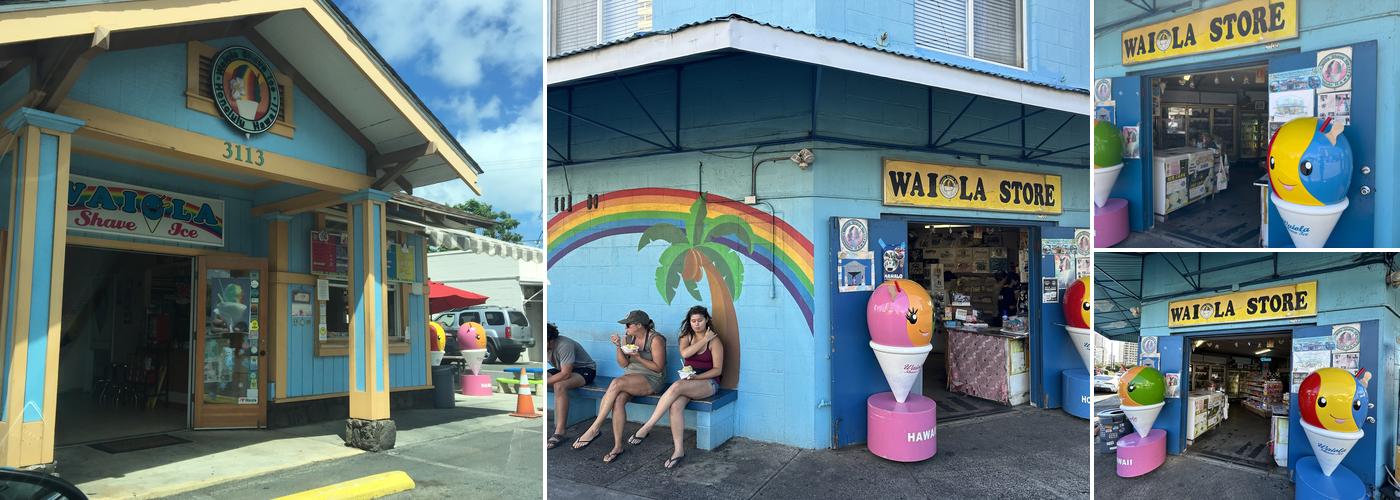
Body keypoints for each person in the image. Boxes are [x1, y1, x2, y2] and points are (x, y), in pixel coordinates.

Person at [626, 306, 724, 469]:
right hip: (688, 382)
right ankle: (679, 450)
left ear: (706, 320)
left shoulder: (715, 341)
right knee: (676, 405)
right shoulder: (686, 337)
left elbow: (718, 370)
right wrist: (703, 340)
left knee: (677, 385)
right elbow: (685, 354)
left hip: (709, 382)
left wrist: (696, 377)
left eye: (700, 320)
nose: (697, 324)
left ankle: (648, 426)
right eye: (693, 321)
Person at [570, 310, 667, 463]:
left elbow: (658, 368)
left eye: (628, 325)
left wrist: (638, 357)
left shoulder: (656, 339)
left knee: (616, 383)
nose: (625, 328)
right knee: (618, 400)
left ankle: (594, 428)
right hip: (631, 377)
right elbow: (624, 364)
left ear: (639, 325)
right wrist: (618, 346)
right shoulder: (628, 338)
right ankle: (617, 446)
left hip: (652, 378)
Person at [547, 323, 596, 449]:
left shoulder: (564, 345)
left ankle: (559, 431)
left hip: (585, 370)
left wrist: (546, 382)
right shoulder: (546, 346)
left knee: (559, 385)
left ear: (551, 340)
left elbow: (565, 374)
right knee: (542, 377)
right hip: (563, 368)